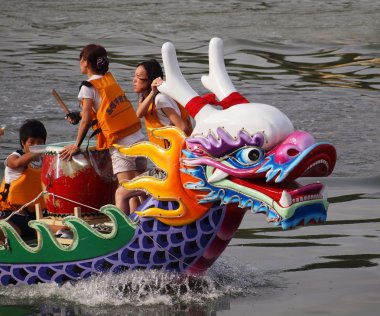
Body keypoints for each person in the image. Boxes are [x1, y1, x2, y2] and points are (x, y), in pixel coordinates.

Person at [59, 44, 146, 215]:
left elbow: (86, 120)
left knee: (124, 191)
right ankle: (143, 224)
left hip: (122, 146)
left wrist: (77, 144)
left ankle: (126, 233)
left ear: (85, 62)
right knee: (138, 187)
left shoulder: (87, 86)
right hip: (139, 139)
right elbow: (101, 111)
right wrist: (79, 115)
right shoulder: (109, 80)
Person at [0, 119, 47, 242]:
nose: (36, 146)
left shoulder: (46, 160)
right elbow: (14, 163)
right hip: (13, 217)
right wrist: (38, 150)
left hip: (38, 217)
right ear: (23, 143)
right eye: (32, 143)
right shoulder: (15, 157)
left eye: (40, 143)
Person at [134, 59, 193, 148]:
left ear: (150, 81)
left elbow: (183, 127)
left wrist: (153, 92)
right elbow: (139, 113)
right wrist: (152, 93)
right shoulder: (146, 99)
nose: (134, 81)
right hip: (164, 153)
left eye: (139, 77)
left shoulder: (161, 100)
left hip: (178, 152)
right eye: (134, 76)